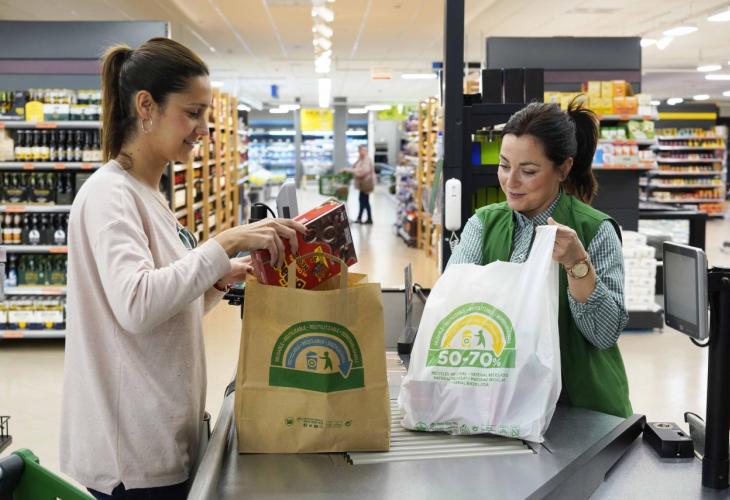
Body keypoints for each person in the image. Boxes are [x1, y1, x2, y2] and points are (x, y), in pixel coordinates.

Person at [59, 38, 306, 500]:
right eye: (193, 113)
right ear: (146, 106)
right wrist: (223, 243)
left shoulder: (148, 193)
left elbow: (166, 306)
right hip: (131, 454)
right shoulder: (110, 195)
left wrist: (219, 278)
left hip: (161, 434)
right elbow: (136, 305)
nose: (204, 130)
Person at [448, 100, 632, 418]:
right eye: (504, 165)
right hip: (501, 403)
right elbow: (454, 310)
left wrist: (577, 264)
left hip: (578, 408)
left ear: (563, 168)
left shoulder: (595, 230)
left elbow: (603, 335)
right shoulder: (482, 224)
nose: (511, 181)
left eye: (528, 171)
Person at [350, 145, 376, 224]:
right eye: (359, 150)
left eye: (361, 150)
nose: (360, 152)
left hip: (366, 183)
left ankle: (366, 218)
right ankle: (361, 218)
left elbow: (364, 171)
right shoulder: (362, 159)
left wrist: (354, 172)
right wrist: (358, 160)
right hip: (363, 184)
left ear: (365, 151)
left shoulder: (366, 159)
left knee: (364, 201)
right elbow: (354, 166)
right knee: (363, 201)